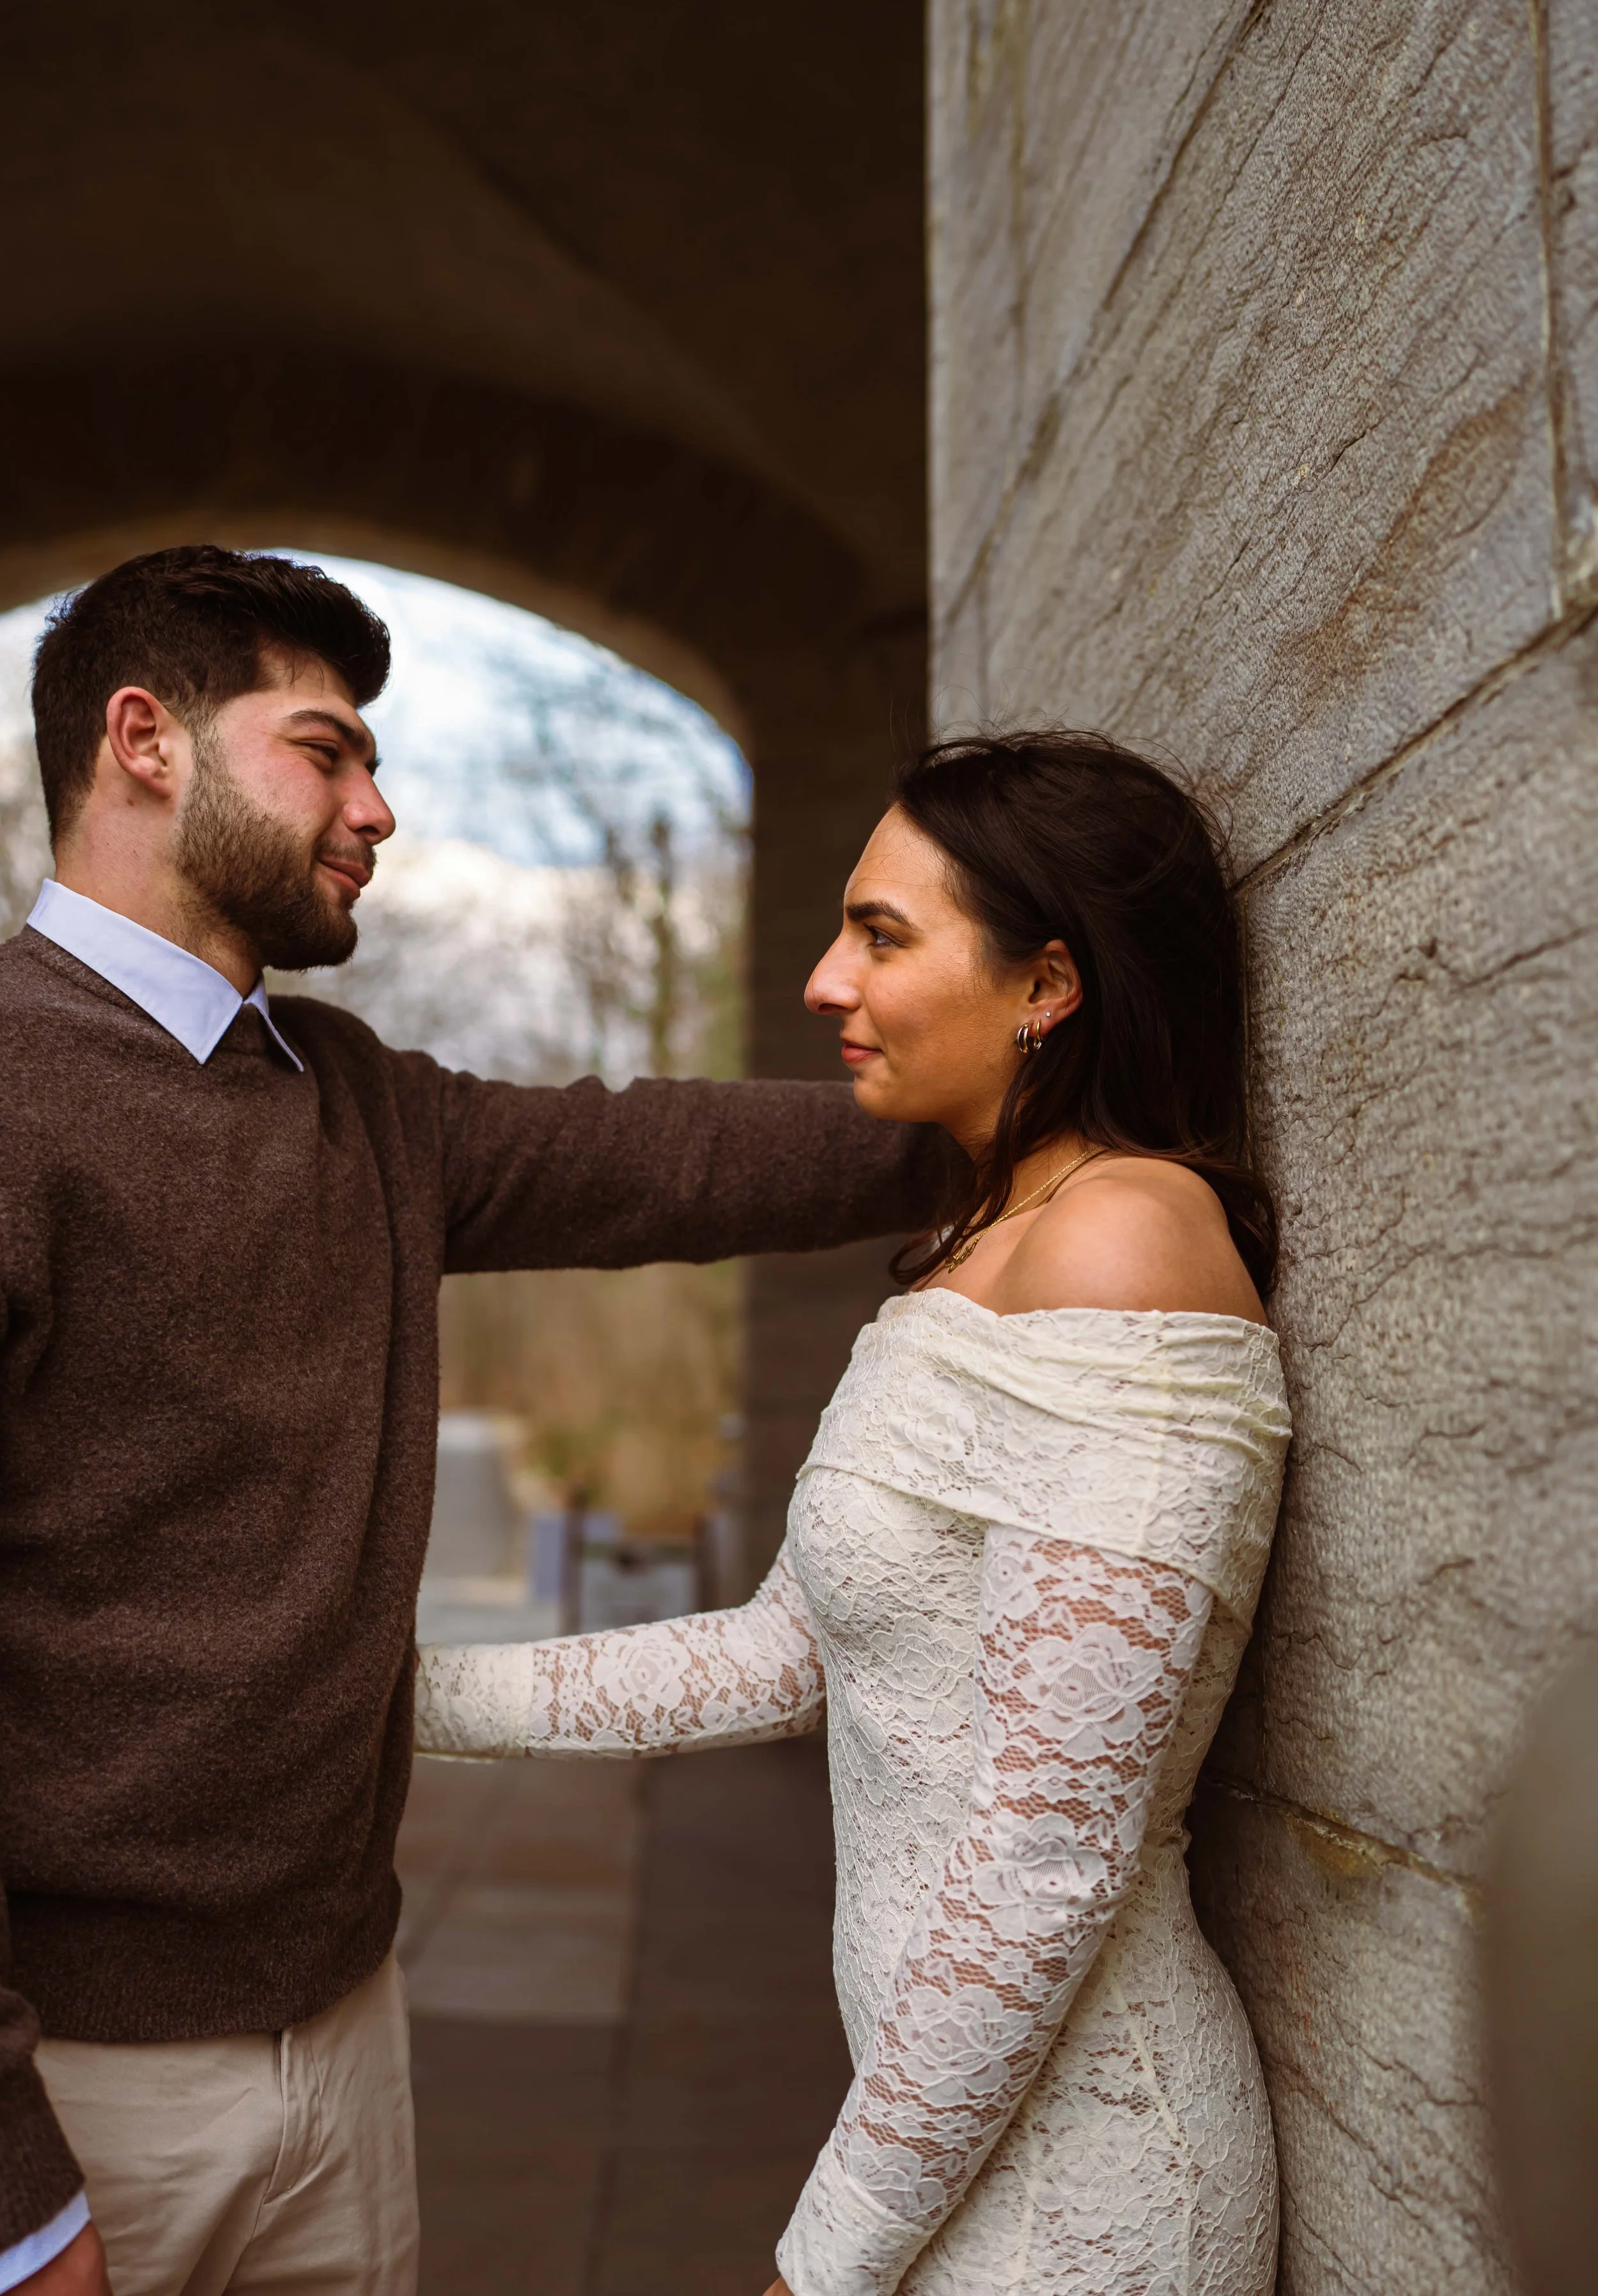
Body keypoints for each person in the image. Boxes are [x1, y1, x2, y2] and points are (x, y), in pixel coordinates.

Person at [0, 546, 952, 2296]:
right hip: (73, 2087)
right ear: (144, 739)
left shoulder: (353, 1099)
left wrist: (1004, 1110)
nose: (377, 806)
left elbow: (655, 1153)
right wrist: (16, 2189)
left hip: (352, 2034)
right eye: (325, 748)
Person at [418, 730, 1294, 2296]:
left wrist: (824, 2261)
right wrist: (400, 1700)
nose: (824, 980)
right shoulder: (990, 1240)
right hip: (950, 2141)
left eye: (880, 936)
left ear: (1048, 984)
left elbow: (1045, 1853)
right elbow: (789, 1651)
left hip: (1078, 2186)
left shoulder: (1126, 1249)